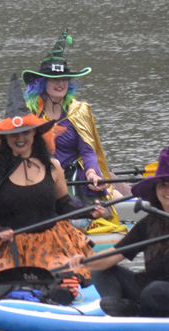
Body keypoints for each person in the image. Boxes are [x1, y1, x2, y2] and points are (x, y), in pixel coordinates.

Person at [0, 75, 105, 282]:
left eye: (25, 133)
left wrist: (88, 211)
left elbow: (63, 204)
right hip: (11, 246)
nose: (20, 138)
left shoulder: (53, 167)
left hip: (53, 242)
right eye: (14, 134)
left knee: (68, 277)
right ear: (5, 138)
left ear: (35, 134)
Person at [69, 147, 169, 317]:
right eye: (162, 185)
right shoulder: (150, 222)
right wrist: (85, 261)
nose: (168, 190)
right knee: (100, 271)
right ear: (155, 191)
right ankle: (114, 310)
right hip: (152, 287)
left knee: (156, 291)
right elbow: (114, 254)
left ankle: (134, 310)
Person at [22, 30, 124, 231]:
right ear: (43, 83)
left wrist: (92, 172)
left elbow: (88, 151)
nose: (60, 83)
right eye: (54, 79)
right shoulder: (29, 114)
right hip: (41, 180)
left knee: (97, 214)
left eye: (64, 79)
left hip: (75, 179)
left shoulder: (79, 110)